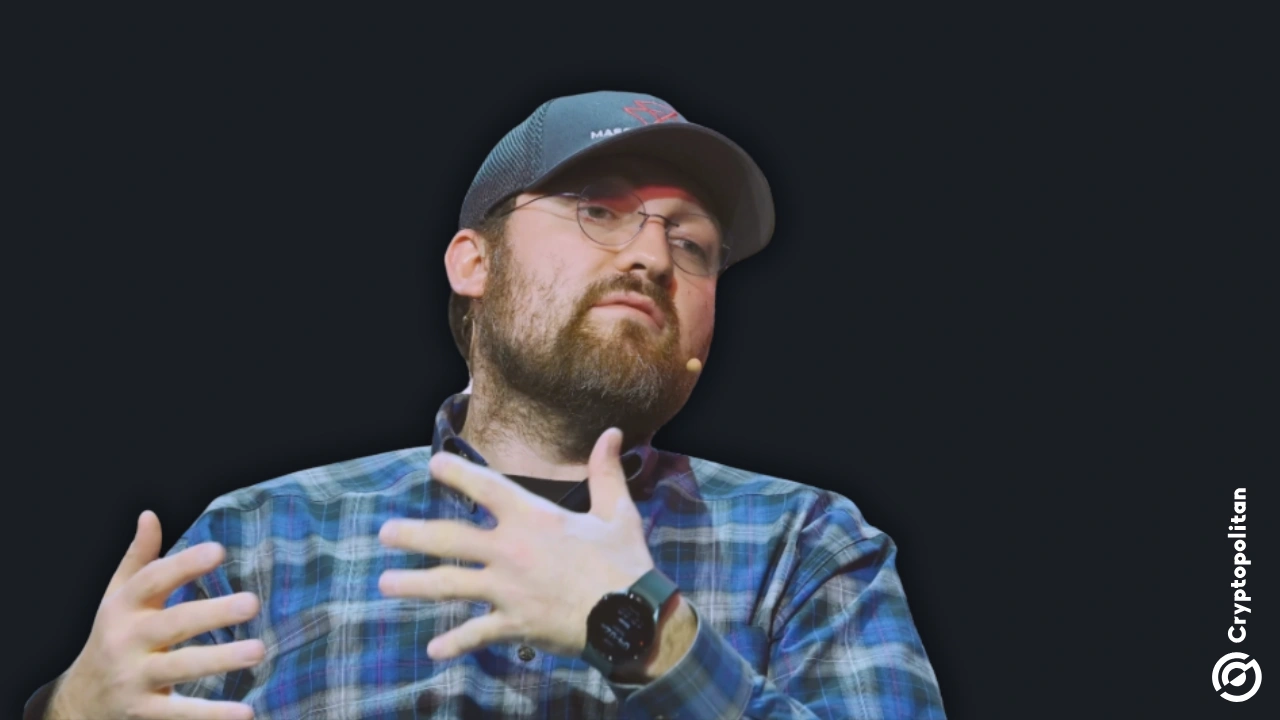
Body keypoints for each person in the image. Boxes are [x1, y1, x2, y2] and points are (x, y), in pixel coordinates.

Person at [25, 90, 947, 719]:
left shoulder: (805, 545)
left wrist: (644, 635)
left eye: (693, 245)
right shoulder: (263, 541)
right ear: (475, 262)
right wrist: (70, 710)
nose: (652, 256)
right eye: (599, 210)